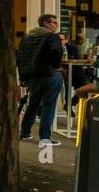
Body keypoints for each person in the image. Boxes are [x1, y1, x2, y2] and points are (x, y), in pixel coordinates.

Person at [17, 13, 65, 147]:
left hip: (33, 76)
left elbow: (20, 58)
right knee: (48, 106)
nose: (57, 25)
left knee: (33, 103)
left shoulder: (27, 37)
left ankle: (25, 132)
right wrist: (57, 66)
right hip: (50, 74)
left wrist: (23, 77)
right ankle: (45, 138)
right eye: (54, 22)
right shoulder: (51, 36)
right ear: (45, 24)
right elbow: (57, 50)